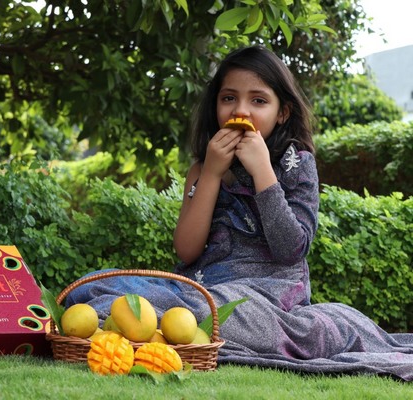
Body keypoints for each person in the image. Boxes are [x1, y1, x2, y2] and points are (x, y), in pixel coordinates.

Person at [66, 45, 413, 381]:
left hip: (265, 301)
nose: (241, 111)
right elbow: (187, 250)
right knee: (97, 284)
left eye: (258, 101)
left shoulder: (296, 164)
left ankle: (152, 323)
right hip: (200, 290)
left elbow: (291, 249)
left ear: (282, 112)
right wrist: (212, 173)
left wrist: (262, 171)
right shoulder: (203, 167)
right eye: (229, 98)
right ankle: (164, 321)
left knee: (234, 315)